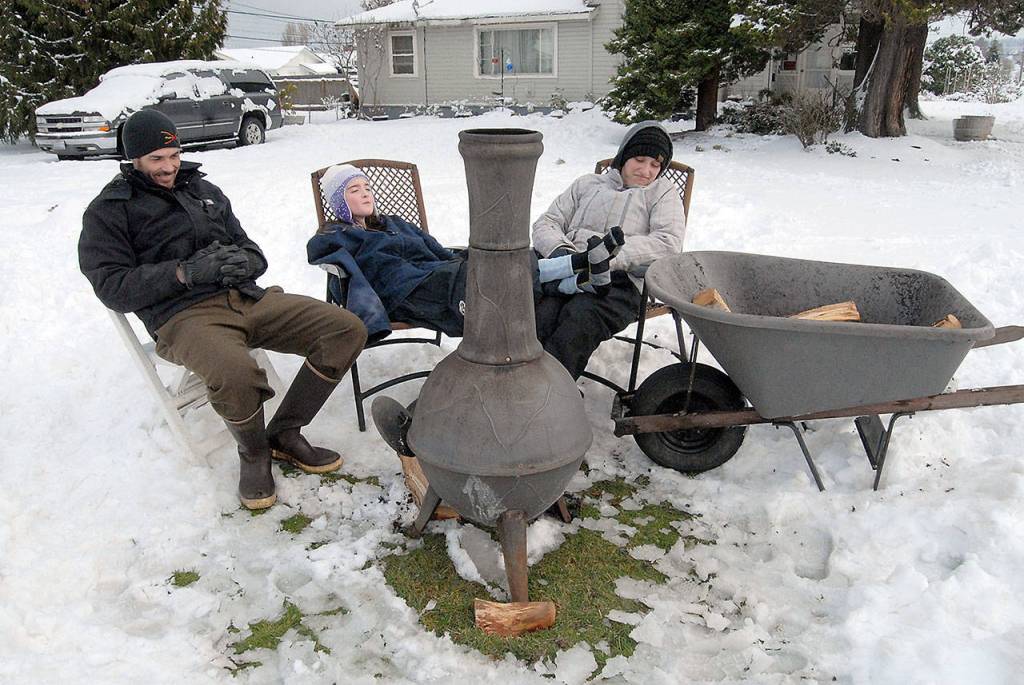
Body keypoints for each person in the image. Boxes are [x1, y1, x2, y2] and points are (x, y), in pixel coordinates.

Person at [79, 110, 368, 511]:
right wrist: (183, 273)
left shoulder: (203, 190)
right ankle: (254, 453)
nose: (169, 166)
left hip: (245, 297)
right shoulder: (110, 211)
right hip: (183, 316)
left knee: (345, 329)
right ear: (134, 160)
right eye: (156, 159)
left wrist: (247, 263)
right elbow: (111, 286)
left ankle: (284, 432)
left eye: (173, 154)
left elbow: (251, 249)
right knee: (235, 372)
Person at [306, 165, 625, 343]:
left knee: (496, 262)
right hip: (406, 293)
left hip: (436, 277)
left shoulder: (394, 223)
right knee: (490, 277)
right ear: (338, 201)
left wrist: (458, 261)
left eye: (366, 187)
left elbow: (433, 248)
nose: (365, 194)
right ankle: (579, 270)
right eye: (353, 190)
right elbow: (338, 273)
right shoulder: (338, 236)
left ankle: (580, 271)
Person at [531, 121, 686, 380]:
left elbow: (668, 242)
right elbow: (547, 222)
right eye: (639, 159)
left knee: (579, 318)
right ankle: (514, 387)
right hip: (567, 270)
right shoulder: (587, 184)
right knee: (538, 316)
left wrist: (609, 257)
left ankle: (551, 394)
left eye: (655, 165)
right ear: (624, 156)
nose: (647, 171)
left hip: (621, 282)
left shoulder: (662, 193)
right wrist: (562, 254)